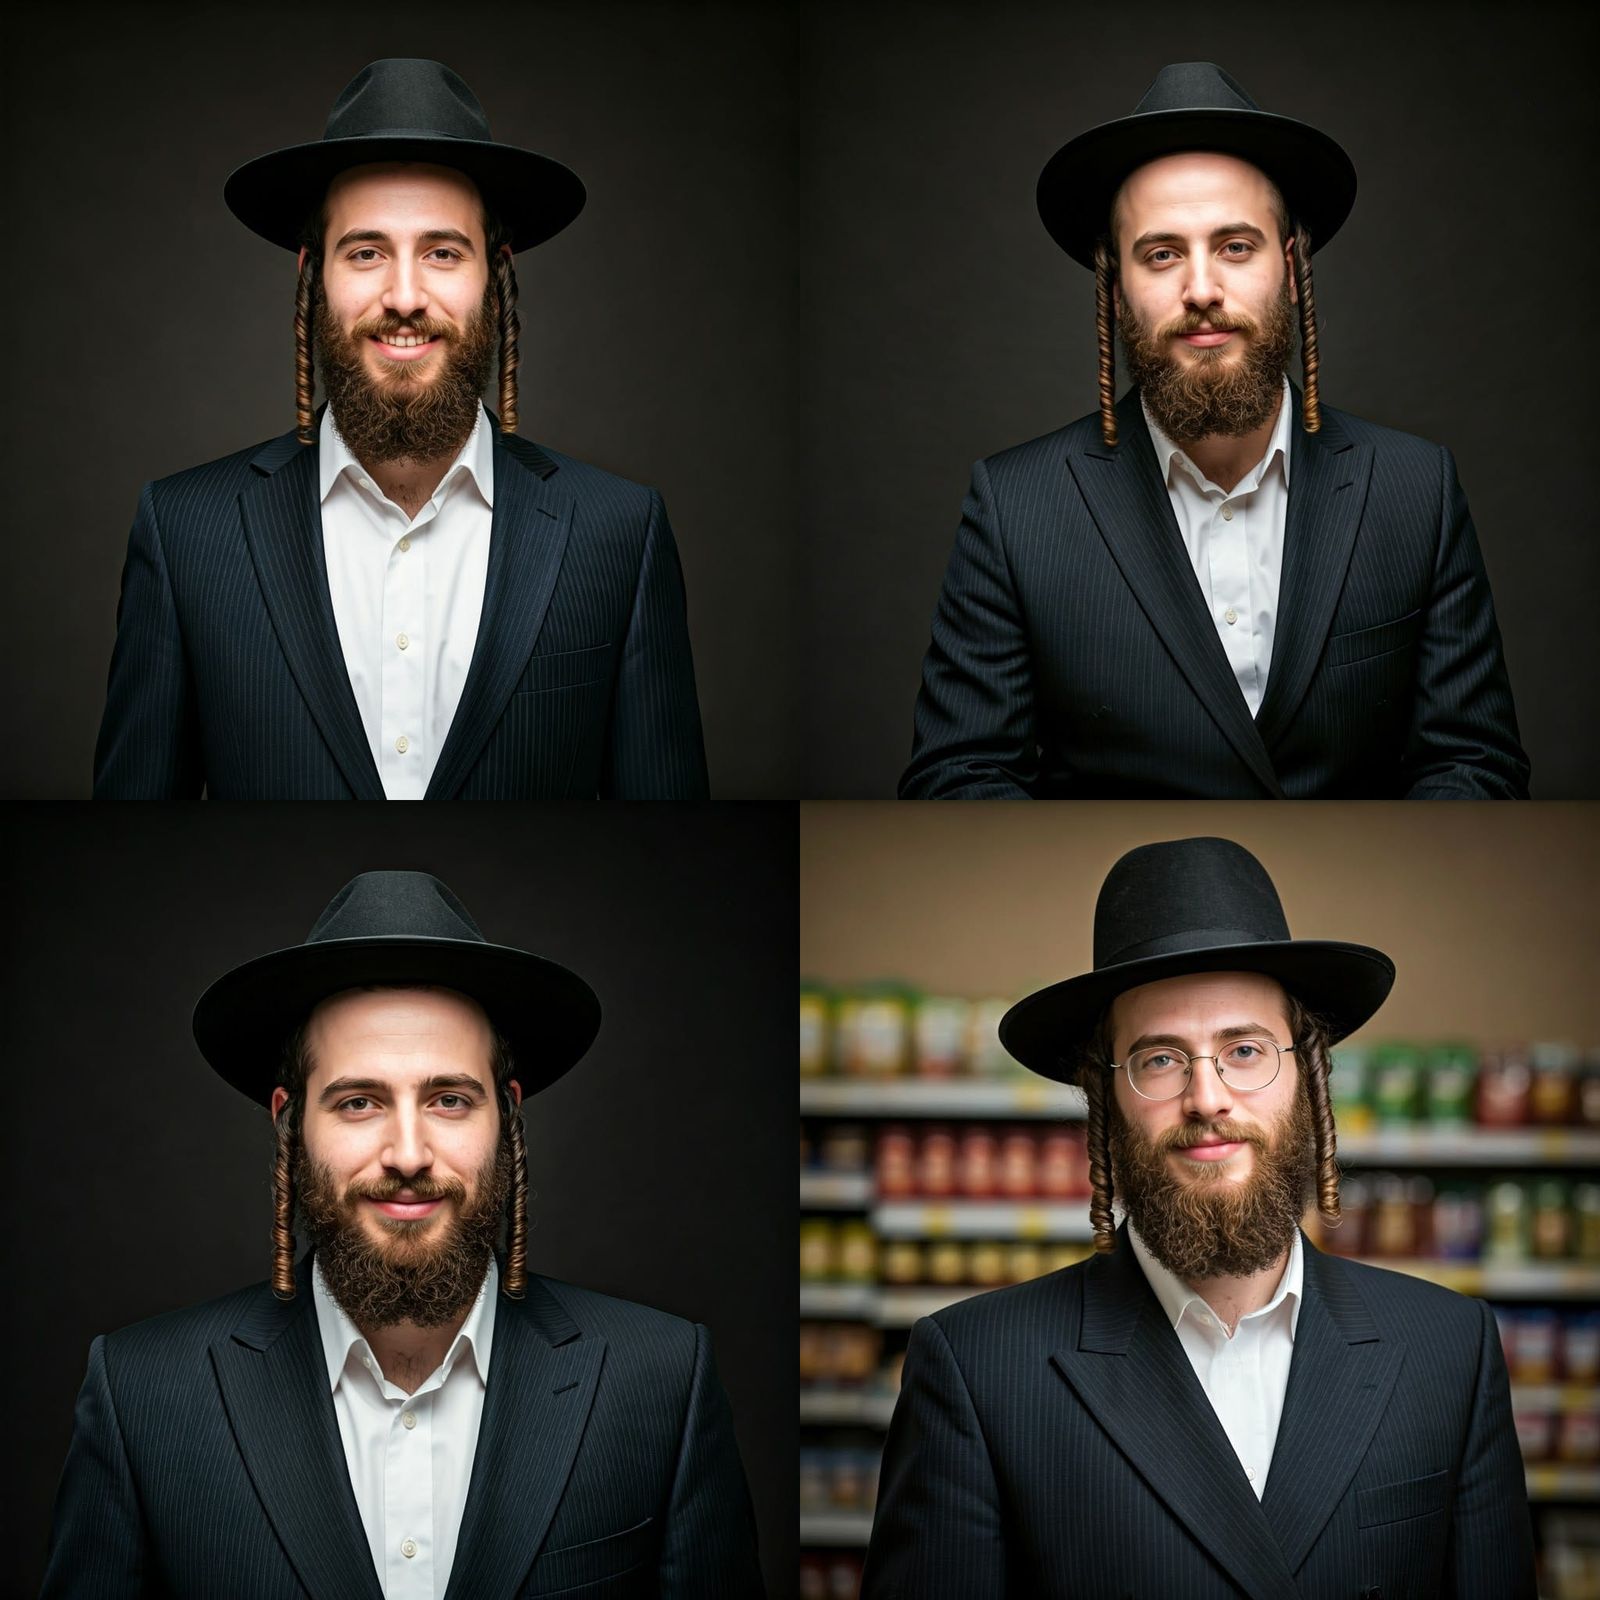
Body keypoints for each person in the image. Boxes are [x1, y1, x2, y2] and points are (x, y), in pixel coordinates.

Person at [42, 871, 762, 1597]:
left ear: (506, 1118)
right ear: (291, 1123)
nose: (409, 1154)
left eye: (449, 1100)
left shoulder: (662, 1380)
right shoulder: (143, 1397)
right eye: (359, 1103)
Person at [863, 836, 1535, 1599]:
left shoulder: (1450, 1349)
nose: (1208, 1097)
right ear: (1104, 1101)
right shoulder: (976, 1369)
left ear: (1306, 1078)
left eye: (1245, 1050)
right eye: (1159, 1059)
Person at [901, 62, 1528, 800]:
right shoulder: (1013, 509)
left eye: (1236, 246)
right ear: (1115, 287)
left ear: (1292, 267)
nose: (1201, 290)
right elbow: (959, 781)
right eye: (1162, 254)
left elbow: (1474, 768)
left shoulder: (1417, 489)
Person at [94, 59, 708, 800]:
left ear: (494, 275)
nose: (406, 296)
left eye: (443, 252)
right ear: (312, 275)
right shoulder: (184, 532)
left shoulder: (619, 532)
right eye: (366, 252)